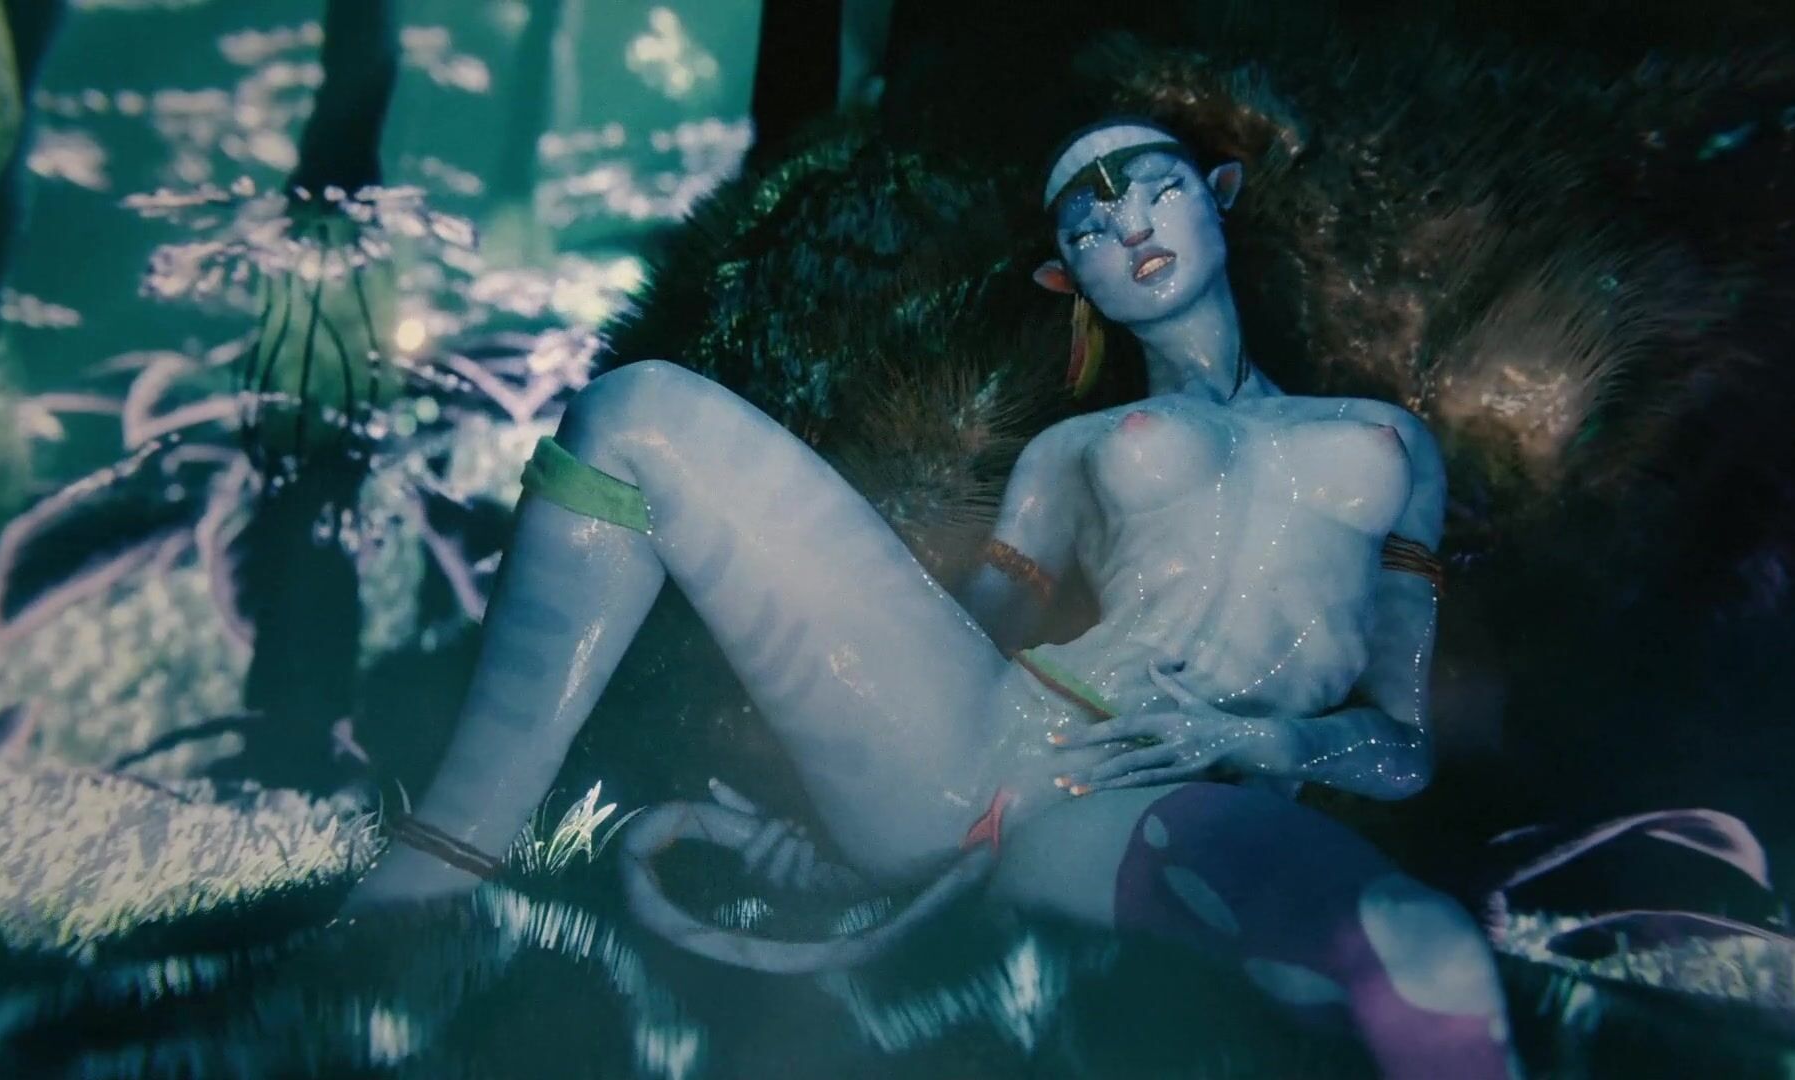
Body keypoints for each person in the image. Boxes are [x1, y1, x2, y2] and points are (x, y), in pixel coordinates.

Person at [346, 118, 1518, 1079]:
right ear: (1070, 279)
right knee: (639, 410)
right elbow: (957, 650)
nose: (1127, 227)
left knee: (1425, 951)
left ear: (1220, 198)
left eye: (1156, 191)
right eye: (1087, 227)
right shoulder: (1068, 454)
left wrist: (1260, 738)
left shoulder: (1388, 443)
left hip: (1145, 799)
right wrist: (835, 821)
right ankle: (426, 883)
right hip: (982, 747)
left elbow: (1401, 747)